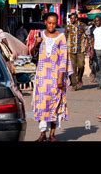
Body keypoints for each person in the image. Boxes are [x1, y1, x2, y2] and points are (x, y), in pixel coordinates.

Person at [32, 12, 73, 142]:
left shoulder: (61, 37)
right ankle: (42, 133)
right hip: (42, 76)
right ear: (45, 22)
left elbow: (63, 59)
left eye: (54, 23)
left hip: (56, 76)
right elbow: (33, 53)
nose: (51, 25)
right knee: (42, 104)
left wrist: (60, 78)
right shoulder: (41, 35)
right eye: (49, 23)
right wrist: (37, 43)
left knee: (55, 104)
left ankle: (52, 134)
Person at [66, 14, 86, 91]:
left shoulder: (82, 26)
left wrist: (88, 46)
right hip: (71, 50)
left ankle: (80, 78)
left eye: (73, 18)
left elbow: (87, 35)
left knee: (81, 65)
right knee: (73, 68)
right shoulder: (68, 27)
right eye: (71, 18)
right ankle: (74, 84)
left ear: (76, 19)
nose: (71, 20)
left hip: (80, 49)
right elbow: (65, 37)